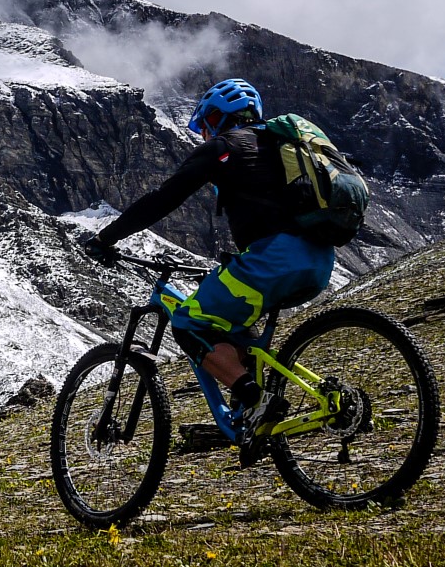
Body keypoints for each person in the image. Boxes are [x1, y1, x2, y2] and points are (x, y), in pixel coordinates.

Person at [82, 78, 340, 456]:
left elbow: (161, 200)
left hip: (274, 259)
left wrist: (105, 239)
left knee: (188, 323)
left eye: (204, 124)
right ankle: (253, 420)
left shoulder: (224, 146)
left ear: (217, 118)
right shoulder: (280, 146)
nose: (203, 134)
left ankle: (254, 399)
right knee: (234, 325)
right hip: (320, 260)